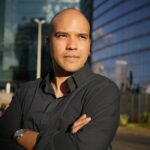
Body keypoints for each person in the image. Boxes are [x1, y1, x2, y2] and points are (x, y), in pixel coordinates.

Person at [0, 8, 120, 150]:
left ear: (89, 46)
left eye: (81, 37)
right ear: (48, 43)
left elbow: (82, 147)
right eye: (62, 35)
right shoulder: (25, 92)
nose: (72, 46)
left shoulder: (103, 91)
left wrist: (21, 134)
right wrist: (65, 139)